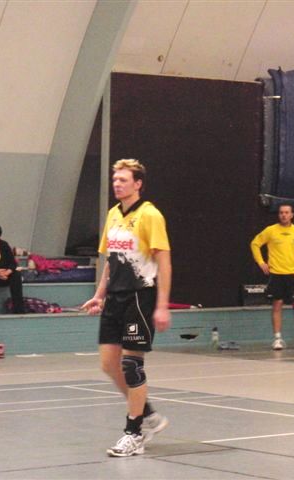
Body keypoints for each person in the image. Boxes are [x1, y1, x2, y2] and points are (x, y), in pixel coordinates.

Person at [81, 158, 171, 457]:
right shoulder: (113, 214)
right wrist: (99, 294)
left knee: (132, 365)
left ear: (138, 183)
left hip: (140, 296)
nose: (117, 184)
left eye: (123, 180)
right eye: (115, 179)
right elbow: (111, 259)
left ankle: (134, 433)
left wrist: (162, 305)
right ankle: (148, 413)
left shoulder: (150, 215)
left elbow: (164, 262)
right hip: (115, 297)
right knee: (109, 364)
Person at [250, 204, 294, 350]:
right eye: (281, 213)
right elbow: (255, 243)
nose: (284, 215)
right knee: (277, 305)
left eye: (287, 212)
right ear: (278, 215)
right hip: (276, 275)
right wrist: (261, 262)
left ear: (292, 215)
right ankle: (278, 338)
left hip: (293, 275)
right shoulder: (271, 230)